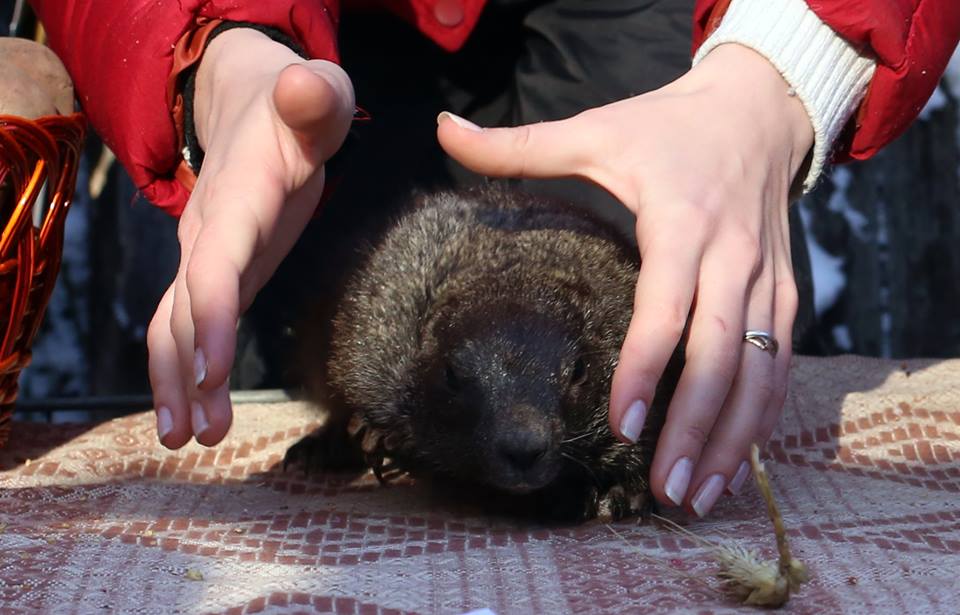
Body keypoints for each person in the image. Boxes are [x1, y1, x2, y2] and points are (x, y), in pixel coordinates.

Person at [30, 0, 960, 518]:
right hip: (329, 28)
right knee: (315, 278)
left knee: (658, 294)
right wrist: (213, 45)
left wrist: (781, 65)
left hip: (638, 13)